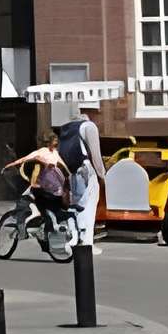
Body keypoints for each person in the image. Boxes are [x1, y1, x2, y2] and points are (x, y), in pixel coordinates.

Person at [55, 101, 103, 249]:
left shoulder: (69, 126)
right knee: (89, 206)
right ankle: (86, 243)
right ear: (94, 111)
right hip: (87, 171)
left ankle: (73, 238)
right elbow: (96, 155)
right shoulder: (89, 127)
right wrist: (102, 175)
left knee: (76, 204)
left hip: (73, 171)